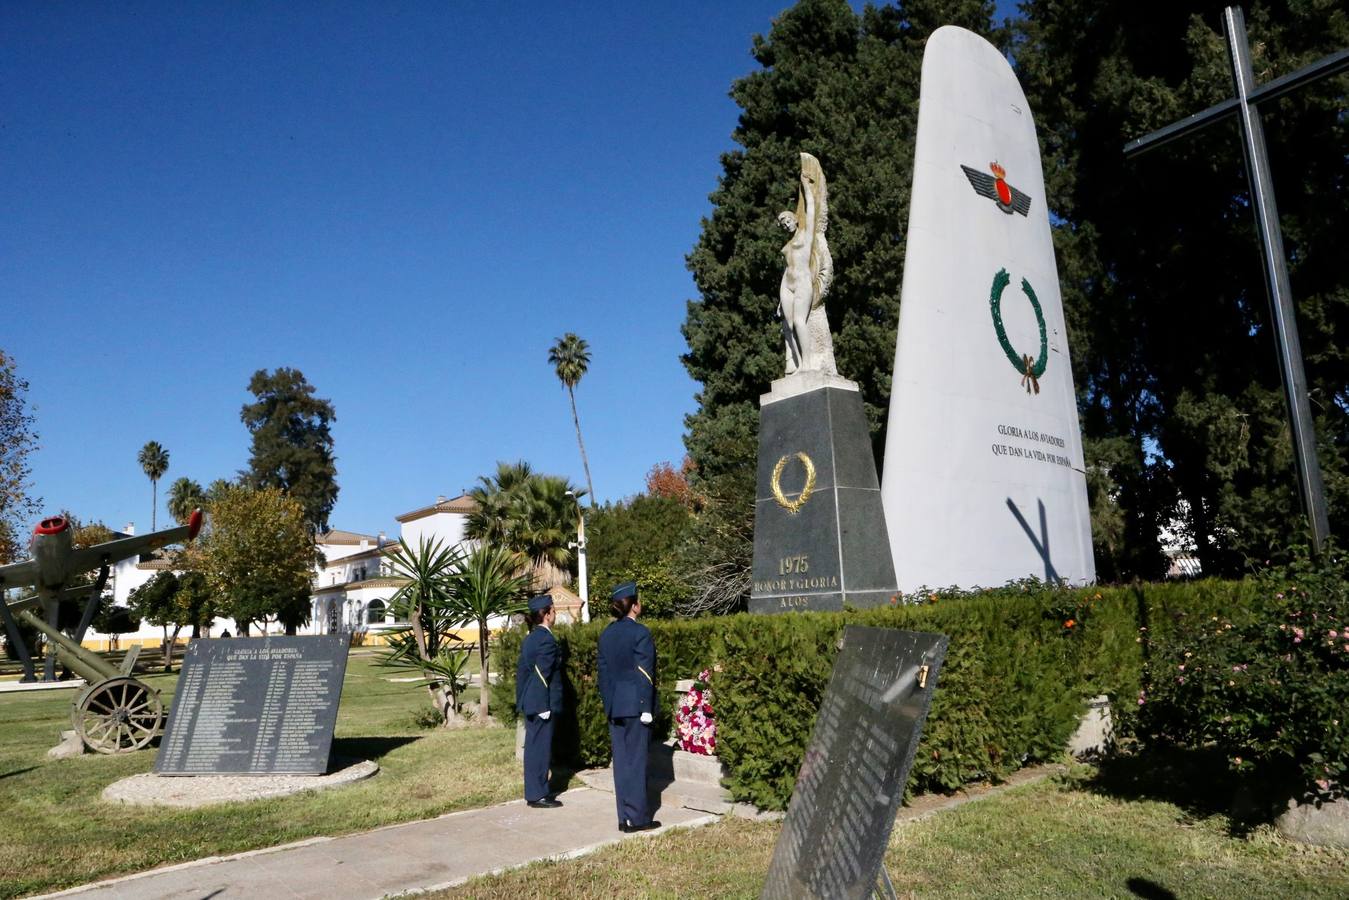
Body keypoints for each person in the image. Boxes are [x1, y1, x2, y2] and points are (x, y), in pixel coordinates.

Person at [597, 580, 660, 833]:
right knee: (635, 762)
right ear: (634, 606)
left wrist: (609, 704)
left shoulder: (607, 634)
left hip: (616, 705)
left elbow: (603, 675)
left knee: (622, 763)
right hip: (635, 705)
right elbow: (645, 672)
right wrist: (646, 706)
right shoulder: (640, 633)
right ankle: (637, 818)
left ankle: (624, 817)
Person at [516, 593, 563, 808]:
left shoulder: (531, 637)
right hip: (541, 702)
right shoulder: (545, 639)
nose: (555, 614)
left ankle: (535, 791)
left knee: (534, 748)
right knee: (540, 750)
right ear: (546, 614)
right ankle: (537, 794)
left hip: (532, 700)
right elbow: (542, 674)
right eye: (553, 610)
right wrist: (543, 705)